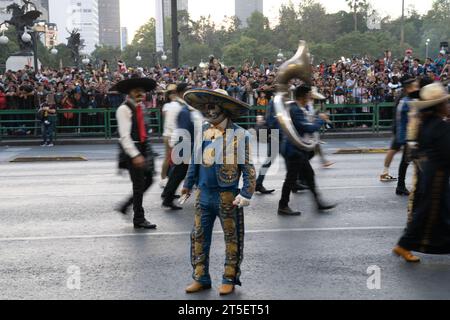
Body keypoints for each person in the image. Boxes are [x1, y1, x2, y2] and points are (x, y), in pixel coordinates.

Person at [181, 88, 256, 296]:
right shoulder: (203, 130)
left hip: (228, 196)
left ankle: (229, 278)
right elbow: (195, 160)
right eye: (206, 106)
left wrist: (247, 193)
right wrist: (187, 184)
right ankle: (200, 277)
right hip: (203, 194)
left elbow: (248, 167)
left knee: (232, 238)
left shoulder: (240, 134)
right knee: (198, 236)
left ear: (224, 109)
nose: (208, 110)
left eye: (212, 105)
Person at [393, 82, 450, 262]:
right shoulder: (439, 126)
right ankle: (403, 244)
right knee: (426, 212)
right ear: (439, 106)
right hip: (437, 176)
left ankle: (405, 244)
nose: (448, 106)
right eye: (446, 103)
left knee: (441, 212)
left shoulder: (427, 123)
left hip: (432, 173)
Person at [278, 84, 336, 216]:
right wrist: (320, 120)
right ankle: (283, 205)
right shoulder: (295, 109)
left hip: (298, 149)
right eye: (309, 95)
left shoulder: (297, 108)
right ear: (303, 96)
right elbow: (307, 128)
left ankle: (318, 203)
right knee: (291, 179)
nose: (310, 97)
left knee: (309, 176)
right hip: (294, 150)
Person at [113, 76, 158, 230]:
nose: (140, 93)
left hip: (143, 148)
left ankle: (126, 205)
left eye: (142, 91)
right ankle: (139, 218)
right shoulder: (124, 109)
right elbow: (124, 136)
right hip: (133, 150)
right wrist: (135, 155)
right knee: (139, 185)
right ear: (130, 92)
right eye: (136, 90)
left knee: (150, 179)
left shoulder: (141, 107)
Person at [161, 83, 203, 210]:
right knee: (181, 173)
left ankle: (168, 196)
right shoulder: (184, 110)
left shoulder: (189, 108)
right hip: (186, 146)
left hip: (189, 145)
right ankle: (168, 197)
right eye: (187, 92)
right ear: (180, 93)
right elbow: (183, 131)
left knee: (180, 173)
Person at [380, 75, 420, 197]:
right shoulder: (407, 101)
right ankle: (403, 186)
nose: (417, 89)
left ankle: (401, 186)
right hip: (408, 137)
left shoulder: (407, 100)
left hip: (407, 137)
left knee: (406, 162)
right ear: (408, 88)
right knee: (412, 162)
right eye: (415, 87)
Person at [160, 84, 183, 188]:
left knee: (174, 159)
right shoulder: (167, 106)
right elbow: (168, 121)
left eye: (174, 92)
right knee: (168, 158)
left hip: (176, 134)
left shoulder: (178, 105)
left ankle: (169, 179)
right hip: (169, 134)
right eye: (171, 93)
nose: (173, 95)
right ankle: (163, 179)